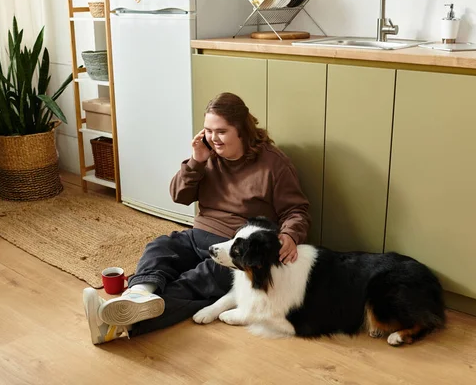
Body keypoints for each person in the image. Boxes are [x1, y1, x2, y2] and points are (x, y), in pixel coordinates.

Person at [82, 92, 311, 345]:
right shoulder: (206, 156)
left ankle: (120, 323)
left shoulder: (273, 164)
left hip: (235, 251)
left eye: (221, 131)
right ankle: (138, 295)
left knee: (195, 282)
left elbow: (297, 210)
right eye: (208, 131)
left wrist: (290, 234)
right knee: (160, 247)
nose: (214, 138)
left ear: (242, 131)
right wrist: (196, 161)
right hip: (197, 235)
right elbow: (178, 196)